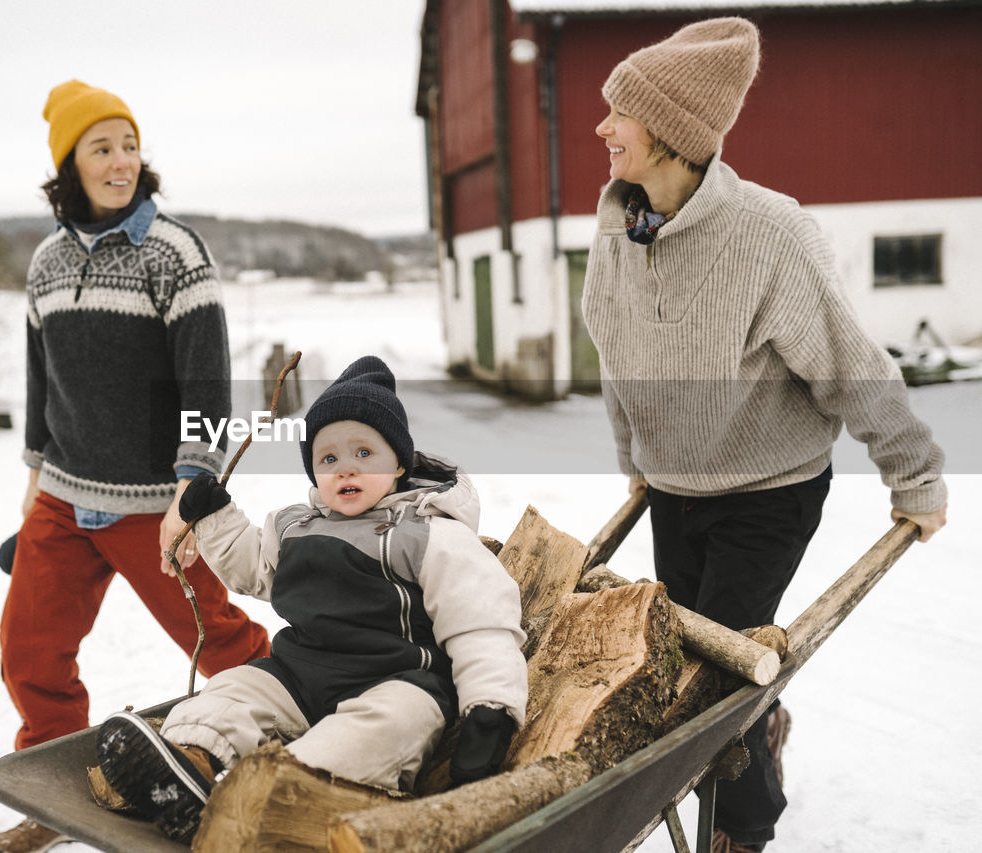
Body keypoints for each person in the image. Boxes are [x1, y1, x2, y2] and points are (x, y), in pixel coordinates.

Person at [583, 18, 947, 852]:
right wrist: (636, 461)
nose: (602, 129)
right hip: (677, 488)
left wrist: (914, 475)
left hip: (769, 490)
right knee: (685, 663)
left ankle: (745, 828)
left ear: (673, 135)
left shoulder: (772, 237)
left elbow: (851, 361)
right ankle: (765, 722)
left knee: (713, 685)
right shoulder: (615, 239)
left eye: (619, 115)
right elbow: (618, 360)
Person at [0, 79, 271, 853]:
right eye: (100, 148)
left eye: (128, 145)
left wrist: (193, 483)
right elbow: (40, 380)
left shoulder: (173, 253)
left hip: (153, 500)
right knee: (29, 646)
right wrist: (34, 473)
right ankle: (48, 792)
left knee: (217, 637)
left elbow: (206, 379)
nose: (120, 162)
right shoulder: (45, 263)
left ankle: (297, 734)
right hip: (63, 495)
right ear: (68, 166)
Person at [92, 356, 529, 843]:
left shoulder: (428, 534)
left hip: (396, 681)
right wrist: (216, 517)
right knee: (233, 690)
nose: (346, 468)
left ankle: (291, 787)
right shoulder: (296, 526)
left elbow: (481, 624)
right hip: (298, 676)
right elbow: (253, 570)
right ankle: (190, 763)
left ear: (401, 462)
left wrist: (490, 708)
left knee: (387, 726)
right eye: (329, 458)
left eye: (365, 453)